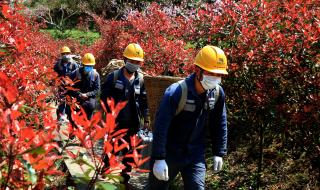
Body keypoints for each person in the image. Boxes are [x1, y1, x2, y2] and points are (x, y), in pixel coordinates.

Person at [146, 45, 228, 190]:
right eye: (211, 73)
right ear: (198, 70)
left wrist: (219, 152)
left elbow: (219, 122)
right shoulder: (176, 92)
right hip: (169, 152)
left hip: (194, 153)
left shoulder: (217, 93)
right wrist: (159, 158)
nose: (215, 78)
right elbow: (160, 125)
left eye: (219, 74)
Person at [100, 43, 150, 185]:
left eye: (137, 62)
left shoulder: (141, 80)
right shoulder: (114, 77)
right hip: (115, 123)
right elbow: (104, 98)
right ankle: (105, 172)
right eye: (132, 61)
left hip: (133, 124)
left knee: (130, 154)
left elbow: (144, 101)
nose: (134, 64)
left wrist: (146, 119)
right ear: (124, 59)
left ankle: (124, 179)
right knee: (111, 150)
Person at [69, 53, 100, 120]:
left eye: (91, 66)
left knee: (90, 108)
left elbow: (97, 89)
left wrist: (87, 94)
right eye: (87, 66)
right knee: (77, 119)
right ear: (83, 65)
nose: (89, 67)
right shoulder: (76, 73)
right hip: (77, 99)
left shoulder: (95, 75)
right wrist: (79, 95)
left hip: (89, 100)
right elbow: (69, 87)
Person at [54, 46, 79, 123]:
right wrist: (56, 83)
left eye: (67, 53)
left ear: (70, 54)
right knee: (61, 101)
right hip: (61, 86)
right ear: (61, 55)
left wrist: (74, 85)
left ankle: (68, 116)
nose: (65, 55)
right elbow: (54, 74)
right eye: (63, 54)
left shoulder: (74, 64)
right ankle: (60, 117)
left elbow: (77, 75)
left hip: (70, 87)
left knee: (69, 102)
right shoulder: (58, 64)